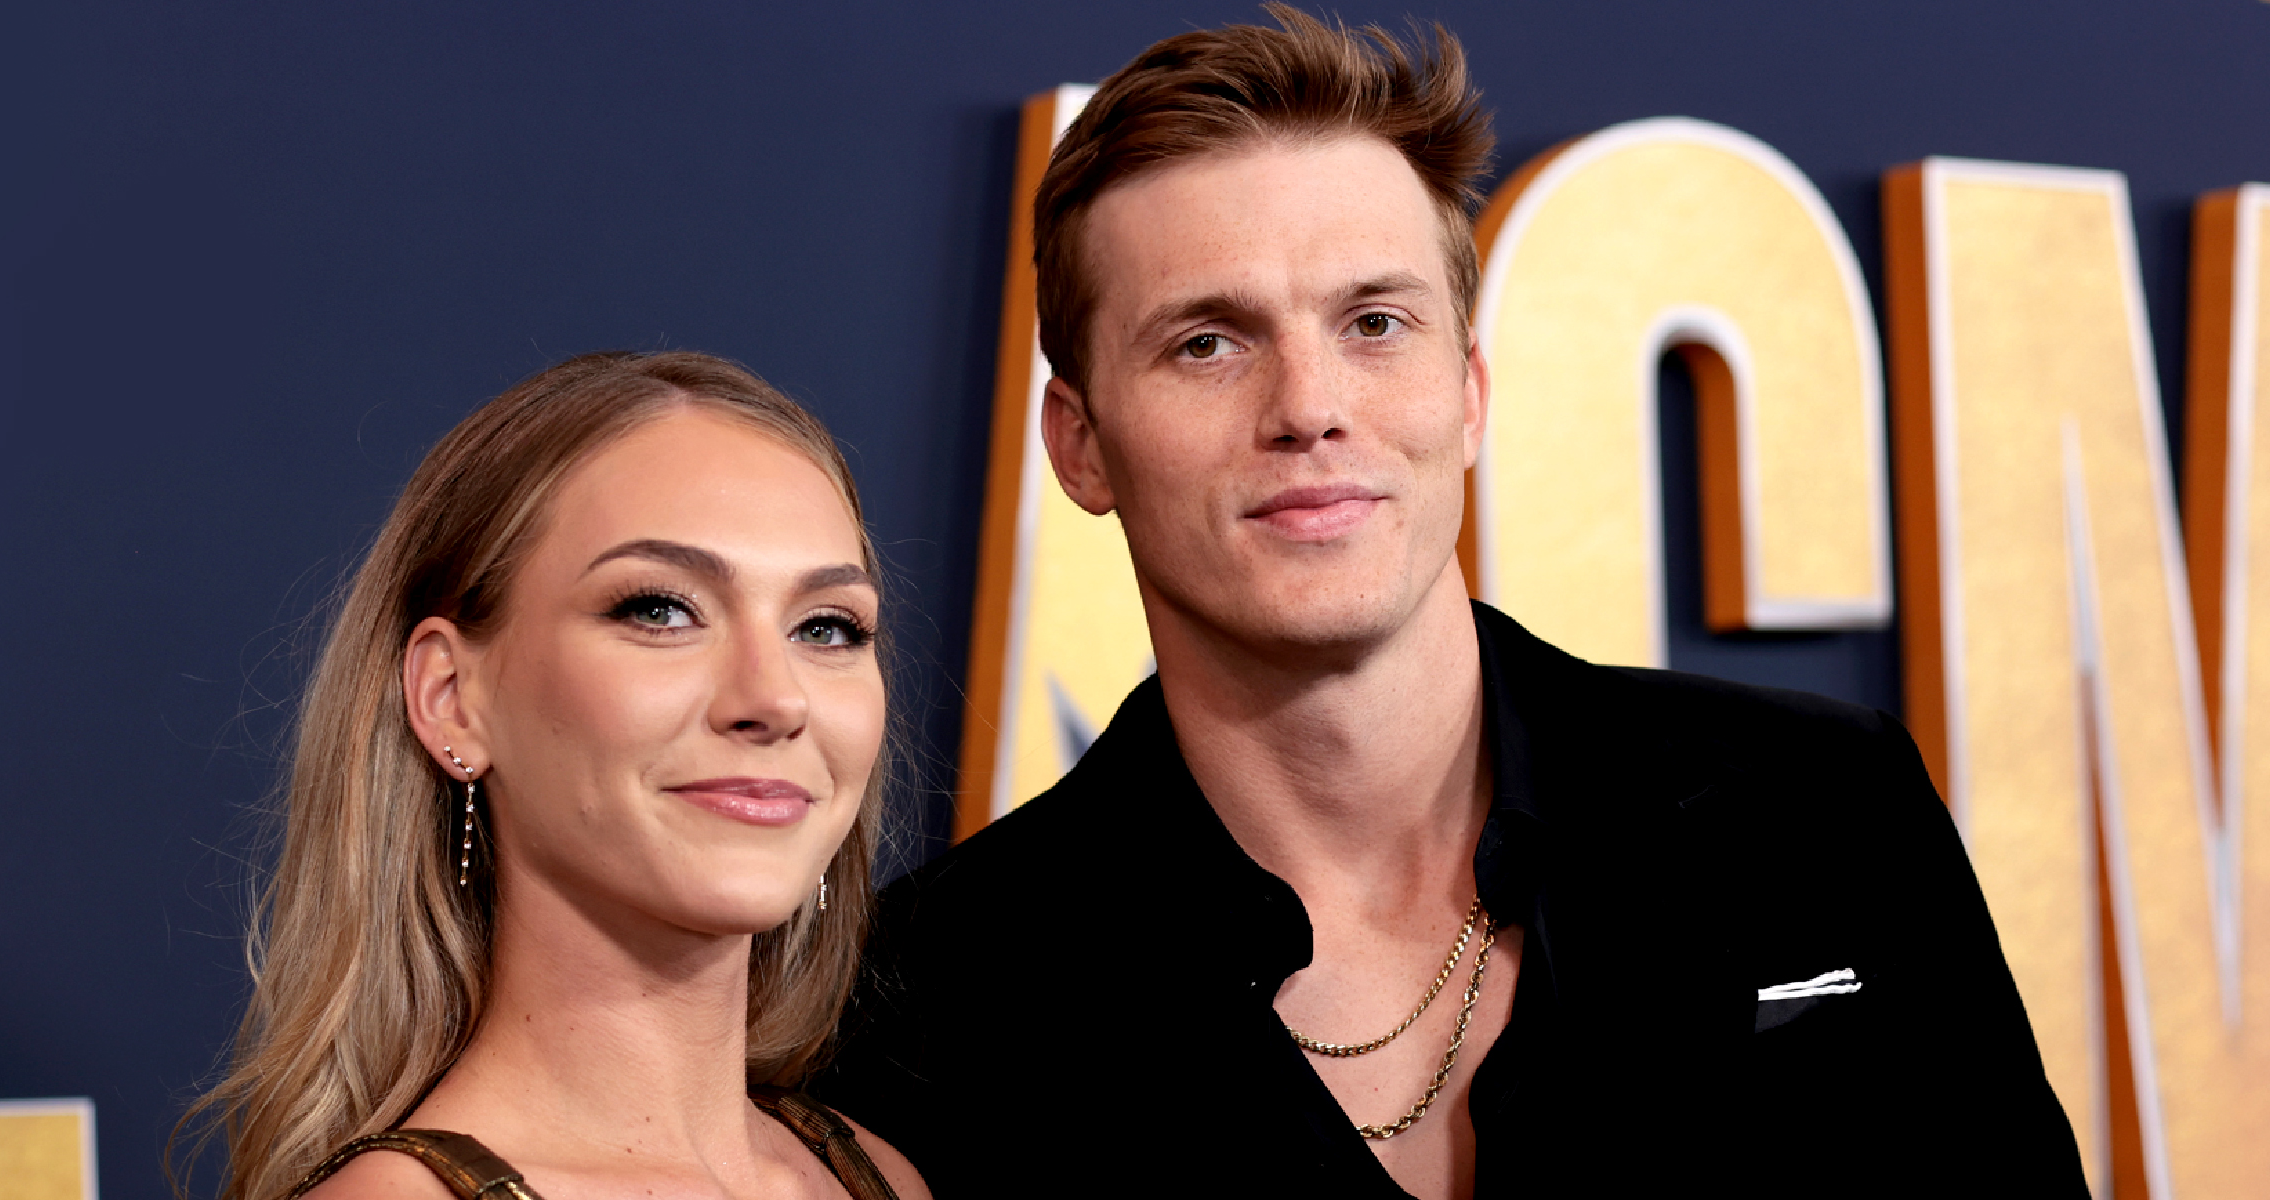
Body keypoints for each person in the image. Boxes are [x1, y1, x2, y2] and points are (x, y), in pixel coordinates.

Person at [815, 9, 2084, 1198]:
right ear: (1080, 444)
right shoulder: (926, 1005)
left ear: (1468, 394)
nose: (1309, 406)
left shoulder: (1821, 808)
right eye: (1209, 341)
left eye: (1374, 322)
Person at [184, 352, 929, 1200]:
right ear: (452, 698)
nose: (773, 697)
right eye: (659, 609)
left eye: (828, 627)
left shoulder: (880, 1179)